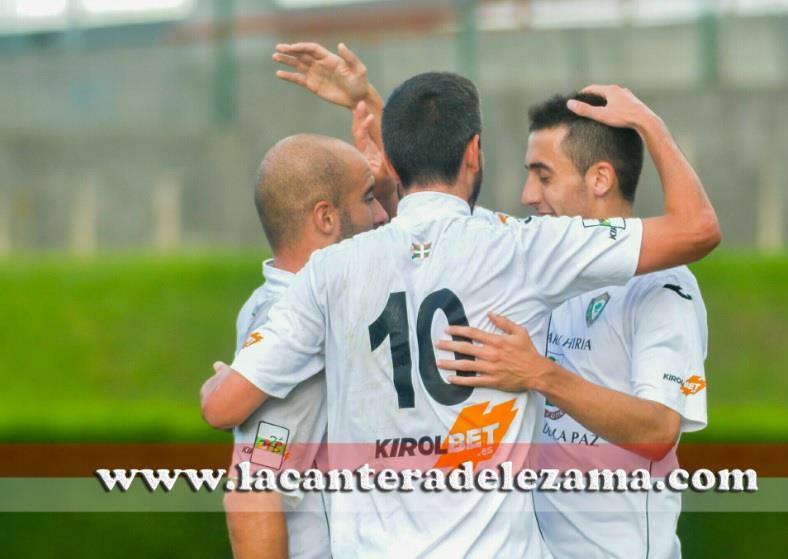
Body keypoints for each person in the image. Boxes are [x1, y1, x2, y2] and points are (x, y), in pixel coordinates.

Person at [201, 66, 719, 557]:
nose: (527, 195)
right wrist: (649, 123)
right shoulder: (520, 252)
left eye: (542, 175)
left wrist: (219, 383)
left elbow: (223, 411)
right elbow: (697, 229)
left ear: (395, 166)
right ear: (474, 153)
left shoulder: (329, 272)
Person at [436, 93, 709, 558]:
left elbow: (659, 431)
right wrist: (373, 107)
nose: (527, 194)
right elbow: (437, 208)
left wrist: (539, 374)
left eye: (543, 175)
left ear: (600, 178)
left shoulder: (662, 287)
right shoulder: (536, 257)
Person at [200, 132, 388, 559]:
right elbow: (251, 492)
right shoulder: (298, 327)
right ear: (325, 218)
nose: (380, 216)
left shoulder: (270, 302)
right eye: (369, 197)